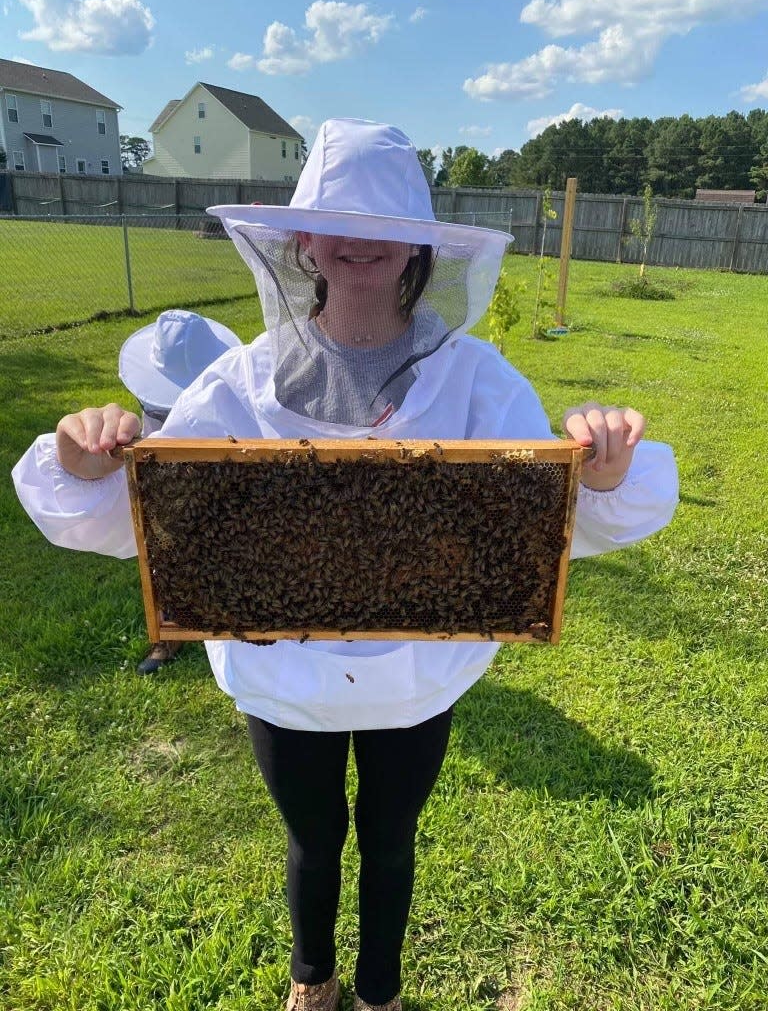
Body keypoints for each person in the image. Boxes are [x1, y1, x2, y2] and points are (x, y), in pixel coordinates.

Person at [12, 118, 678, 1011]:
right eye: (336, 223)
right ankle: (311, 976)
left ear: (420, 252)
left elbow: (565, 521)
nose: (361, 242)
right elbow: (140, 517)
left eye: (388, 229)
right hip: (281, 683)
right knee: (312, 839)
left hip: (416, 682)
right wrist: (85, 463)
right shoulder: (236, 386)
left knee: (391, 839)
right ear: (304, 245)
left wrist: (606, 466)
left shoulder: (481, 383)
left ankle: (380, 990)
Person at [118, 309, 242, 674]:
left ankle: (218, 614)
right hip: (165, 469)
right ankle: (167, 637)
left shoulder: (224, 392)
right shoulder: (154, 405)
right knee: (165, 549)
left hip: (218, 467)